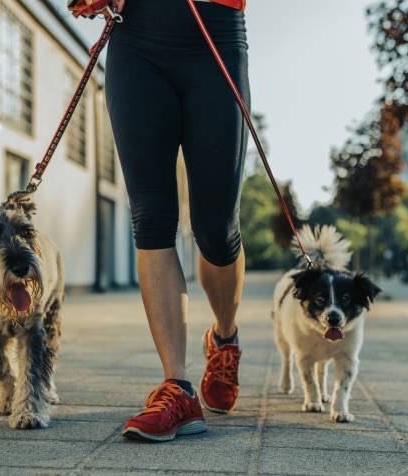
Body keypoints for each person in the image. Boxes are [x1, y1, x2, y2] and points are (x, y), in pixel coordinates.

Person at [105, 0, 249, 442]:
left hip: (215, 35)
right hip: (135, 40)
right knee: (150, 216)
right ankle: (178, 389)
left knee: (215, 227)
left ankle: (224, 339)